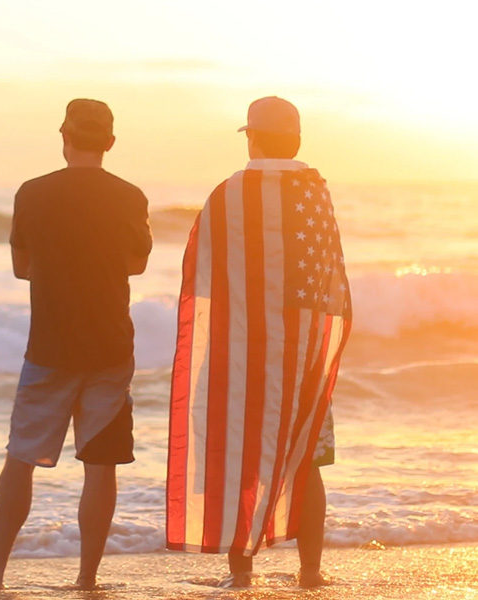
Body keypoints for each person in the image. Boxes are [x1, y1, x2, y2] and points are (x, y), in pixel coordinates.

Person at [165, 96, 352, 589]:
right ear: (297, 139)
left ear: (252, 136)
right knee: (307, 457)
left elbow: (201, 276)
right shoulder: (315, 193)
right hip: (303, 357)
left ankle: (242, 573)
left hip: (241, 354)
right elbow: (328, 279)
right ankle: (310, 571)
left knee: (241, 456)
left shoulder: (227, 194)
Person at [0, 98, 153, 591]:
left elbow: (20, 267)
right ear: (111, 142)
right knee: (100, 465)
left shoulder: (33, 193)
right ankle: (86, 577)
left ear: (63, 135)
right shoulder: (129, 195)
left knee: (20, 459)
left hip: (50, 343)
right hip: (110, 345)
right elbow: (136, 264)